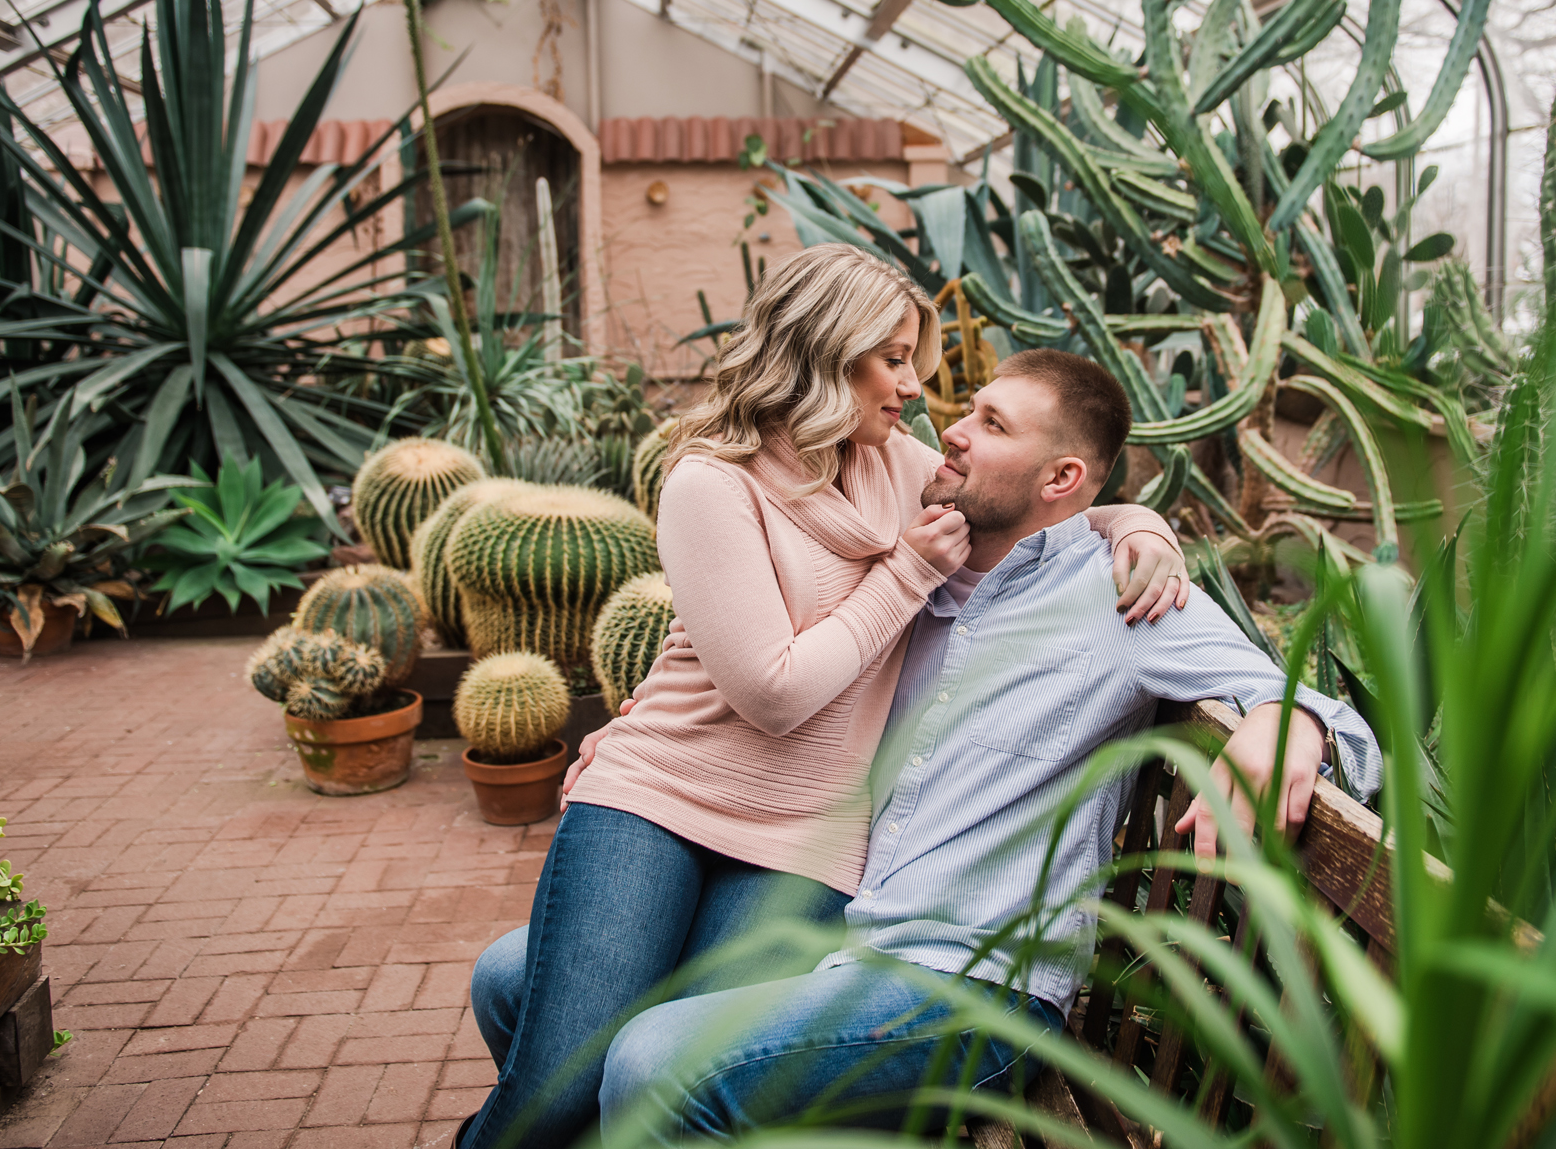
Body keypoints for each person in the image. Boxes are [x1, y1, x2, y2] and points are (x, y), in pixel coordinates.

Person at [459, 247, 1190, 1148]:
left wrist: (1142, 522)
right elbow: (775, 692)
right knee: (555, 1094)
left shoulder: (897, 464)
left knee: (640, 1060)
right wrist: (907, 572)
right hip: (663, 802)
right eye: (891, 358)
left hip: (804, 841)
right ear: (823, 353)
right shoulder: (710, 483)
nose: (915, 388)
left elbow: (1045, 490)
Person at [581, 349, 1384, 1142]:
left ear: (1061, 479)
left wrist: (1288, 721)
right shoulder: (915, 573)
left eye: (991, 423)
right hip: (842, 934)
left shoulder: (1122, 596)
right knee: (518, 980)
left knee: (656, 1063)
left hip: (971, 986)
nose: (955, 431)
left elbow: (1345, 733)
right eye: (969, 409)